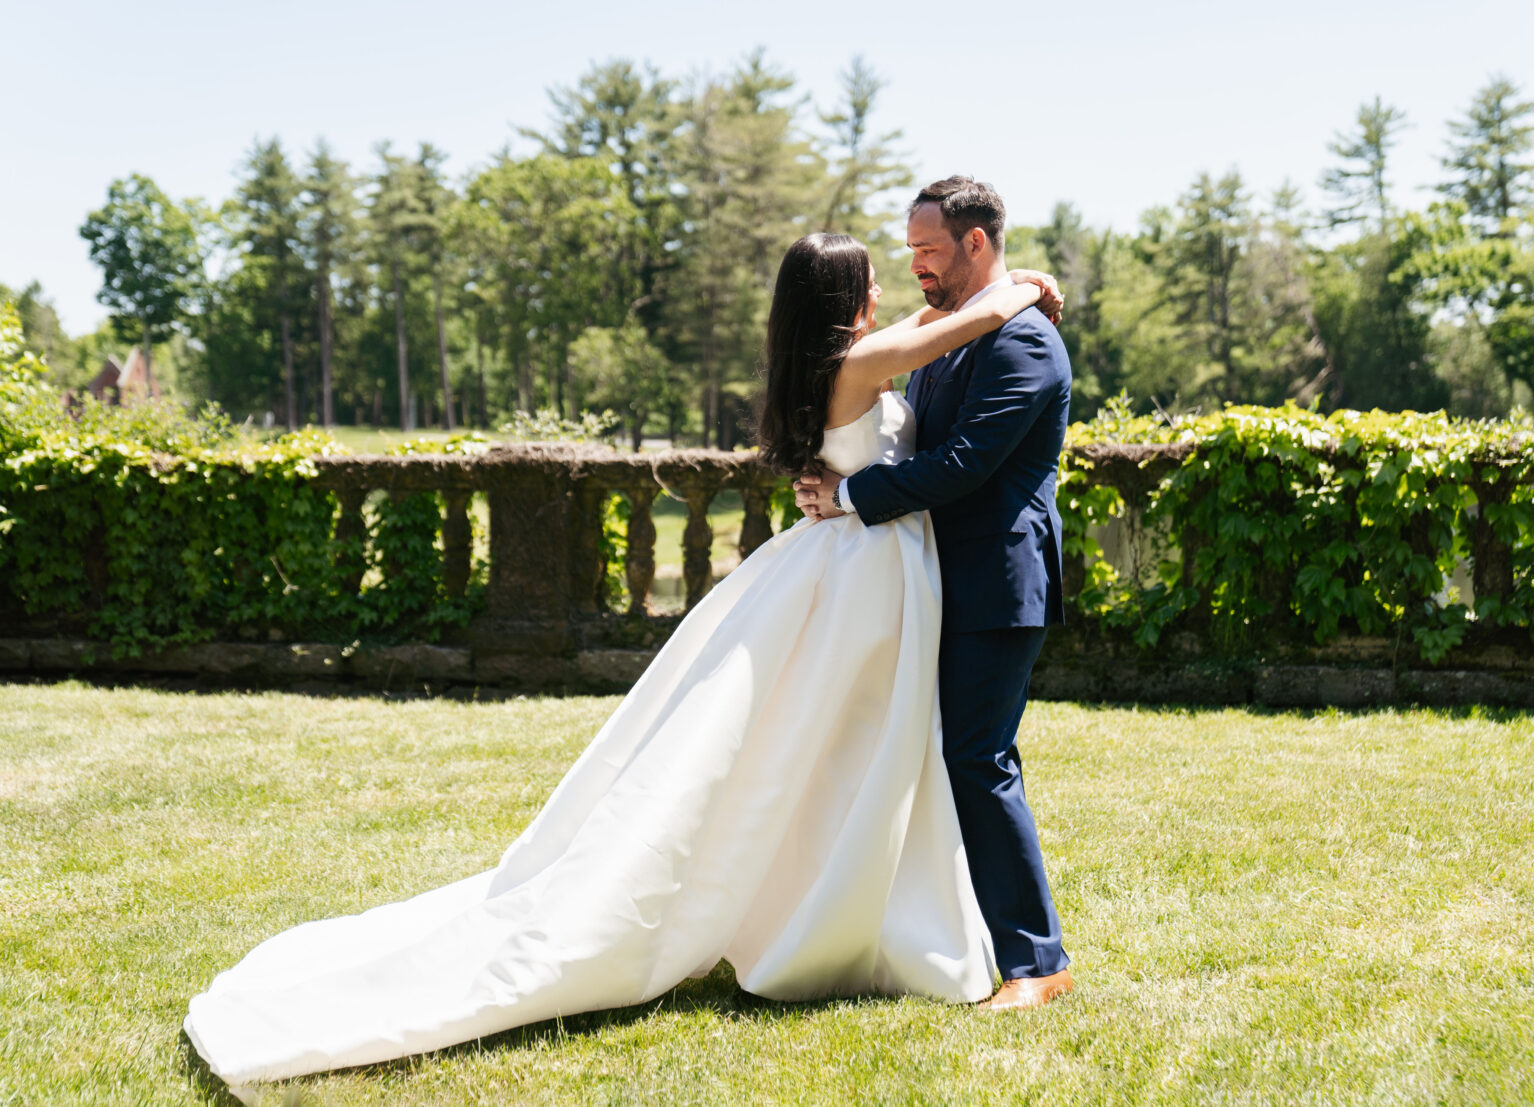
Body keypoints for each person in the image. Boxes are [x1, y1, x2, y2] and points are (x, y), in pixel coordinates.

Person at [183, 230, 1061, 1095]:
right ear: (846, 302)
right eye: (871, 279)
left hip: (851, 565)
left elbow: (923, 327)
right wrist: (1023, 286)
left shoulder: (828, 356)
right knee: (851, 743)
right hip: (866, 576)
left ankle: (839, 903)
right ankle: (849, 913)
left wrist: (995, 293)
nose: (890, 287)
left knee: (835, 747)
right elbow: (941, 332)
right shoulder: (869, 360)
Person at [795, 176, 1076, 1011]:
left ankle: (1038, 963)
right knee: (933, 759)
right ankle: (941, 935)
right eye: (911, 249)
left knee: (979, 761)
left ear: (977, 243)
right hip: (932, 582)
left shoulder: (1024, 343)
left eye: (928, 249)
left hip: (997, 581)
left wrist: (847, 498)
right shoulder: (951, 332)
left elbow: (962, 466)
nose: (915, 263)